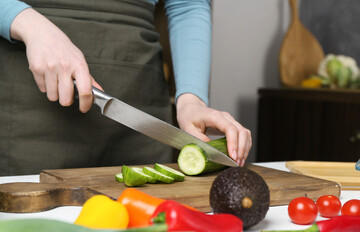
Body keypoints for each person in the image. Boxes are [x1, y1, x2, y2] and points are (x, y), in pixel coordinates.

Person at [0, 0, 252, 176]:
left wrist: (191, 101)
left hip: (139, 94)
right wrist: (29, 24)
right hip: (27, 101)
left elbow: (187, 5)